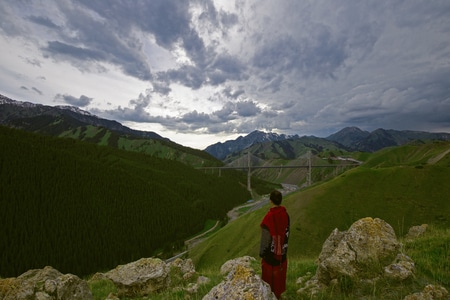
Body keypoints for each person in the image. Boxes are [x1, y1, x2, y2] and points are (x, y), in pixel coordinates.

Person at [259, 190, 290, 299]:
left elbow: (265, 239)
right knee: (279, 286)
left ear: (270, 201)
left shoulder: (269, 217)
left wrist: (262, 254)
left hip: (270, 258)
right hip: (282, 255)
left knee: (269, 286)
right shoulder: (285, 214)